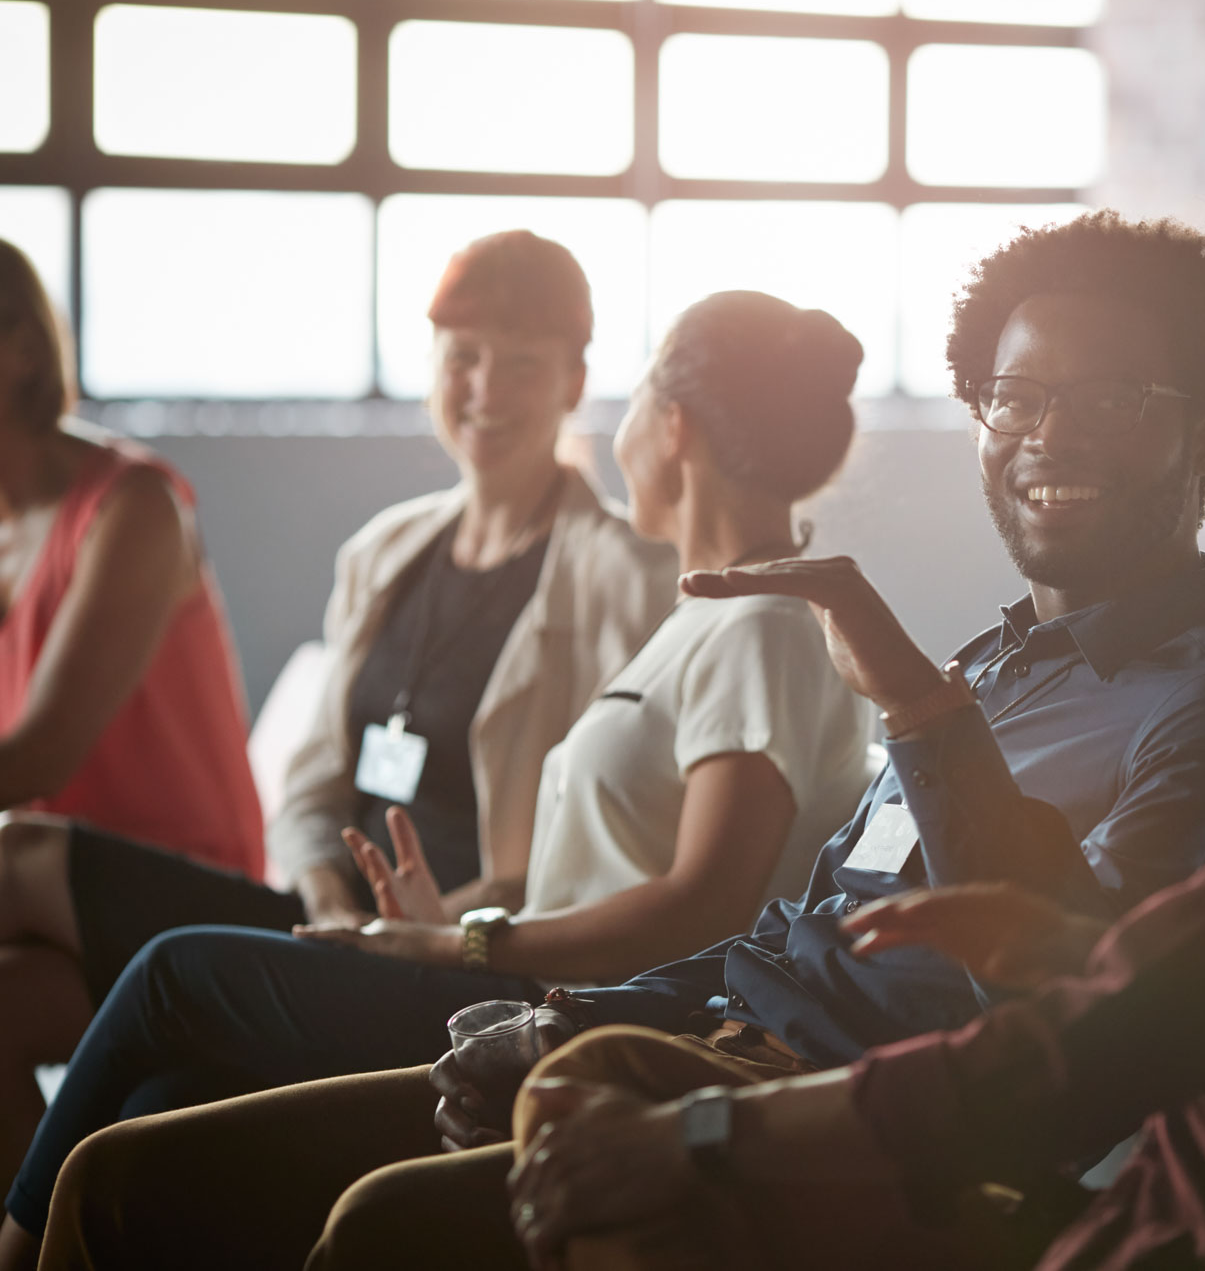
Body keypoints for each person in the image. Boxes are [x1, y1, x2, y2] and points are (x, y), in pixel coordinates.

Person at [24, 211, 1205, 1271]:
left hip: (831, 1133)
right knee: (134, 1170)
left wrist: (917, 707)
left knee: (374, 1223)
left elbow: (1088, 998)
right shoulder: (990, 662)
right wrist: (561, 1018)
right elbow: (778, 939)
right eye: (1015, 394)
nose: (1050, 435)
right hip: (685, 1044)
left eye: (1112, 400)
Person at [498, 157, 1205, 1271]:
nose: (1054, 438)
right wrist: (1074, 944)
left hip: (1150, 1236)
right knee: (564, 1098)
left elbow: (1093, 1057)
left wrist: (698, 1135)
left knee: (446, 1206)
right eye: (1017, 400)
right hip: (1111, 1180)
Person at [0, 288, 881, 1269]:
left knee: (170, 971)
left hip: (555, 1007)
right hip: (518, 976)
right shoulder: (709, 616)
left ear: (669, 426)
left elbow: (703, 903)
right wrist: (440, 925)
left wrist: (464, 939)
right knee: (159, 1105)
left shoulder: (762, 626)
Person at [0, 236, 263, 1174]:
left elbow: (34, 761)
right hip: (42, 901)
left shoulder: (133, 506)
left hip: (183, 891)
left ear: (22, 349)